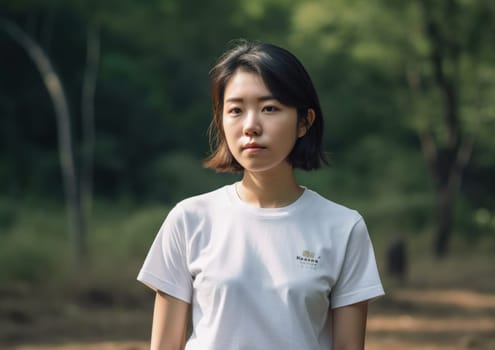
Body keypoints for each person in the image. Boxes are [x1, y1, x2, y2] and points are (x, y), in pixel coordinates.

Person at [137, 40, 385, 350]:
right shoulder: (189, 220)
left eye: (270, 108)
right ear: (222, 120)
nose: (251, 126)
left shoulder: (343, 227)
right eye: (236, 110)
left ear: (304, 122)